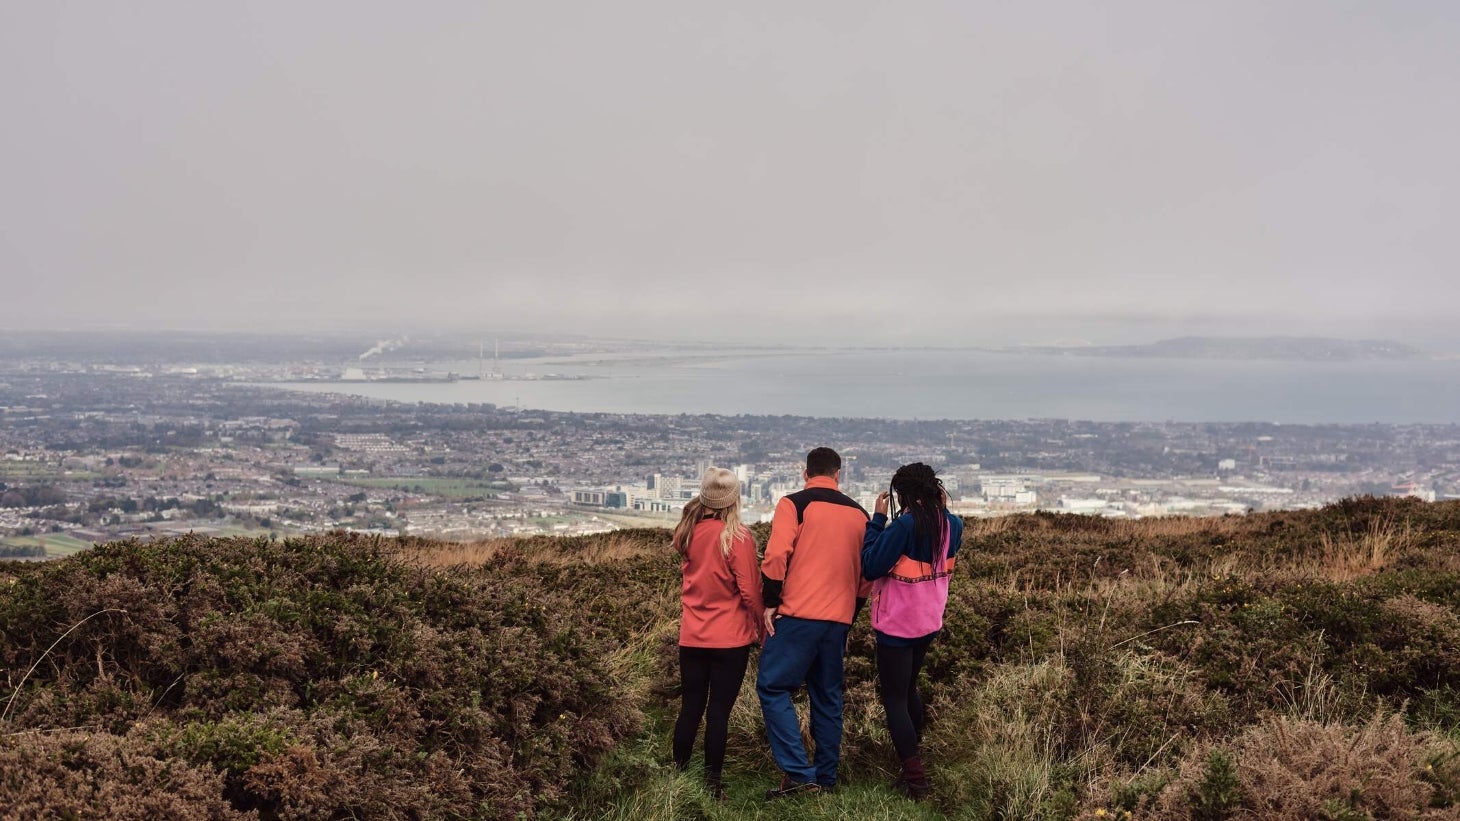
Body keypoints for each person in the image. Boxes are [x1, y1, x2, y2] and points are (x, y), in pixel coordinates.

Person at [757, 447, 871, 798]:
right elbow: (865, 578)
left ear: (805, 473)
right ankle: (826, 778)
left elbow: (776, 556)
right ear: (839, 474)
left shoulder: (793, 504)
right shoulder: (860, 514)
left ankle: (798, 773)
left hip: (798, 615)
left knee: (773, 687)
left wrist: (770, 602)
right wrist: (848, 619)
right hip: (837, 621)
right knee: (827, 698)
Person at [861, 462, 963, 800]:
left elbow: (871, 565)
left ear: (903, 494)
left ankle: (915, 779)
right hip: (928, 622)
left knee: (894, 698)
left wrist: (877, 521)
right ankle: (913, 760)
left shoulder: (904, 526)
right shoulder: (953, 524)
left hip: (896, 626)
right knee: (908, 691)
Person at [672, 466, 763, 801]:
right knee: (718, 712)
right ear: (733, 500)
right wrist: (761, 626)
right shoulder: (737, 538)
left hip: (692, 636)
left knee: (690, 707)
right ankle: (712, 784)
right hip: (730, 639)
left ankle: (678, 775)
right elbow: (750, 591)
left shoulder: (686, 532)